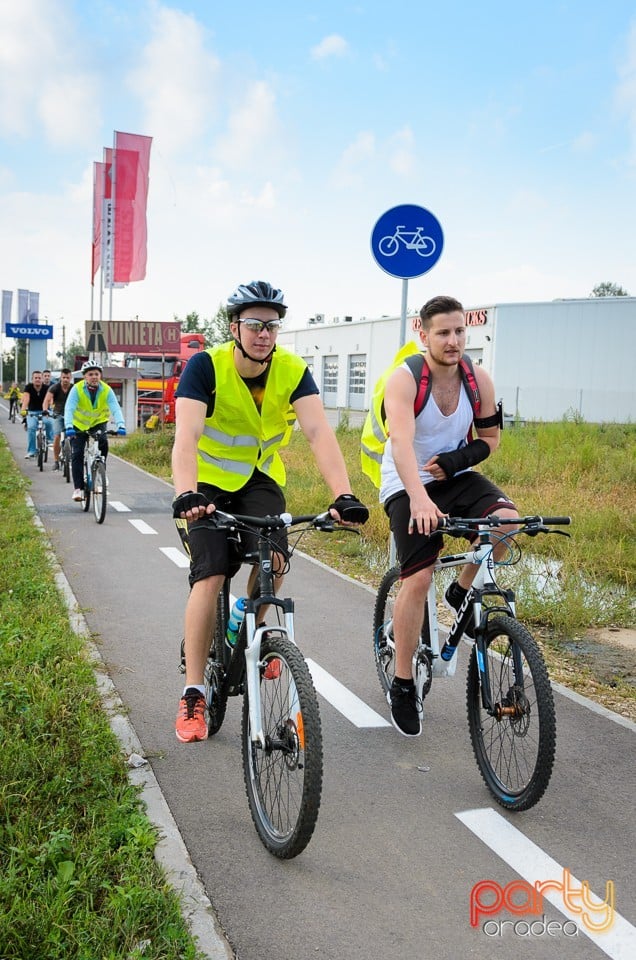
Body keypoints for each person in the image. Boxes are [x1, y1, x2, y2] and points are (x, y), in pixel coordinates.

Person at [171, 279, 369, 743]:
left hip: (260, 480)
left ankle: (259, 634)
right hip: (207, 483)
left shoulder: (292, 370)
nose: (264, 333)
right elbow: (188, 438)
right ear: (234, 327)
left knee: (275, 559)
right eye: (255, 324)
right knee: (211, 573)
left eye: (273, 325)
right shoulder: (205, 367)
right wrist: (186, 493)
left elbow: (320, 433)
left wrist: (343, 494)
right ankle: (194, 692)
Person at [380, 295, 519, 738]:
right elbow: (401, 443)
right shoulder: (403, 380)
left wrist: (458, 459)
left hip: (453, 473)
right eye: (443, 332)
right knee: (417, 579)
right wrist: (420, 499)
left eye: (460, 331)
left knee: (507, 523)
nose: (454, 340)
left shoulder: (479, 380)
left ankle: (460, 593)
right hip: (406, 481)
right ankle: (403, 682)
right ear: (422, 334)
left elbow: (491, 439)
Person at [64, 360, 126, 501]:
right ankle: (78, 489)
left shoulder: (106, 389)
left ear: (100, 376)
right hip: (78, 425)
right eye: (90, 374)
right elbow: (69, 408)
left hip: (98, 423)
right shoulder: (77, 389)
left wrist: (121, 425)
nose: (94, 377)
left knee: (103, 442)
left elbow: (115, 407)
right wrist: (68, 426)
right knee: (78, 453)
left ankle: (100, 470)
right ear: (85, 376)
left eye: (97, 374)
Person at [43, 368, 73, 470]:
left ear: (70, 378)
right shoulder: (54, 387)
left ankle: (72, 455)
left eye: (67, 378)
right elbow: (46, 401)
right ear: (60, 377)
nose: (65, 380)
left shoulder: (74, 389)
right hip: (58, 414)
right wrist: (45, 410)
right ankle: (56, 461)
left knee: (75, 435)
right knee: (57, 436)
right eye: (63, 377)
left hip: (72, 415)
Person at [20, 371, 51, 458]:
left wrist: (52, 407)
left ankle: (50, 439)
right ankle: (32, 451)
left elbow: (50, 400)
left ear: (42, 379)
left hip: (44, 411)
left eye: (39, 378)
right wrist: (23, 410)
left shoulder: (46, 388)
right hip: (32, 412)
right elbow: (26, 398)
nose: (37, 379)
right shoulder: (28, 387)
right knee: (31, 427)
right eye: (35, 378)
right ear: (32, 379)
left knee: (49, 422)